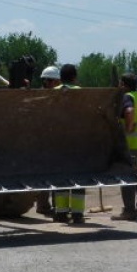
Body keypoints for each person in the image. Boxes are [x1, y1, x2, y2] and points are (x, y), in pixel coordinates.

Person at [112, 72, 137, 221]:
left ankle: (129, 210)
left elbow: (129, 111)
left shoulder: (128, 97)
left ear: (124, 85)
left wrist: (128, 128)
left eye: (120, 84)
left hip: (131, 144)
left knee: (127, 177)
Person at [51, 63, 87, 225]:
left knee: (61, 177)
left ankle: (61, 213)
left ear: (60, 78)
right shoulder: (81, 93)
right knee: (79, 178)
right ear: (74, 77)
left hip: (58, 142)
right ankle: (78, 214)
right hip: (78, 142)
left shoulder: (54, 92)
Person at [34, 65, 62, 217]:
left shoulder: (42, 95)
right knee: (49, 175)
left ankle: (44, 205)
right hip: (46, 141)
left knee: (46, 174)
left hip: (45, 141)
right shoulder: (48, 97)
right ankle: (44, 205)